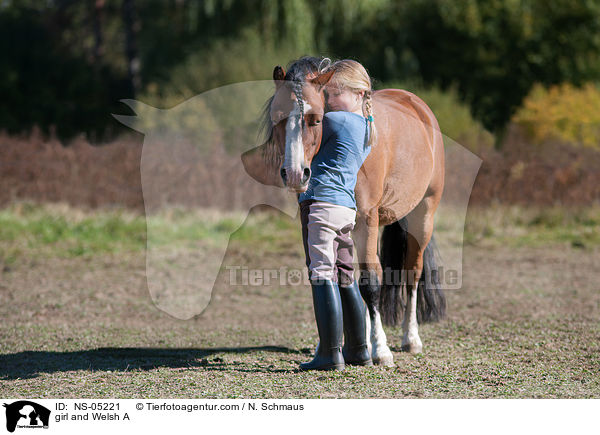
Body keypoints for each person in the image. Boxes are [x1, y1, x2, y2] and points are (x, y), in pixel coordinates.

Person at [298, 59, 377, 371]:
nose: (328, 101)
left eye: (335, 93)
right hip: (345, 209)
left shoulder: (336, 122)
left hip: (322, 204)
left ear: (359, 94)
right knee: (345, 275)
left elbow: (306, 121)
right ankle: (360, 350)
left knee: (321, 272)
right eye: (327, 94)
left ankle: (329, 354)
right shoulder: (366, 129)